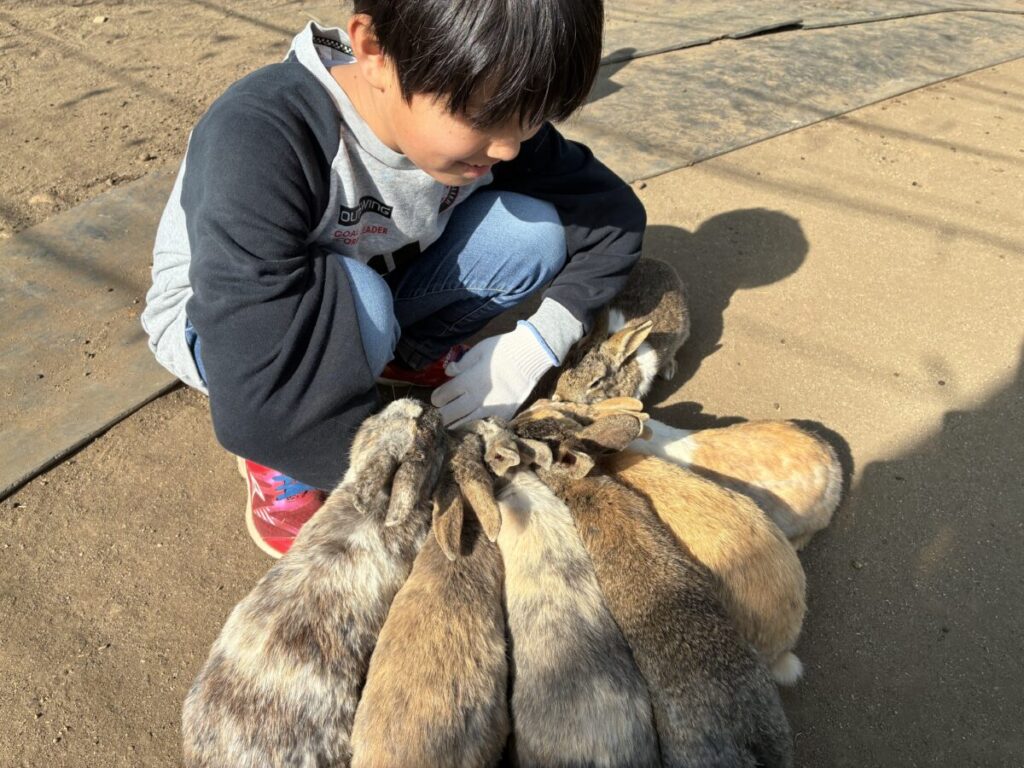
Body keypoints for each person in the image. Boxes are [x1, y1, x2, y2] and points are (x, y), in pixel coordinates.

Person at [142, 0, 645, 557]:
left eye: (532, 116)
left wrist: (541, 340)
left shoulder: (488, 122)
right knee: (363, 303)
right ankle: (277, 466)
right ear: (376, 53)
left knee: (533, 236)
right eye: (485, 119)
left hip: (368, 285)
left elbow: (612, 215)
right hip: (232, 332)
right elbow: (251, 383)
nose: (507, 147)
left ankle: (399, 358)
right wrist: (422, 471)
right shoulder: (262, 134)